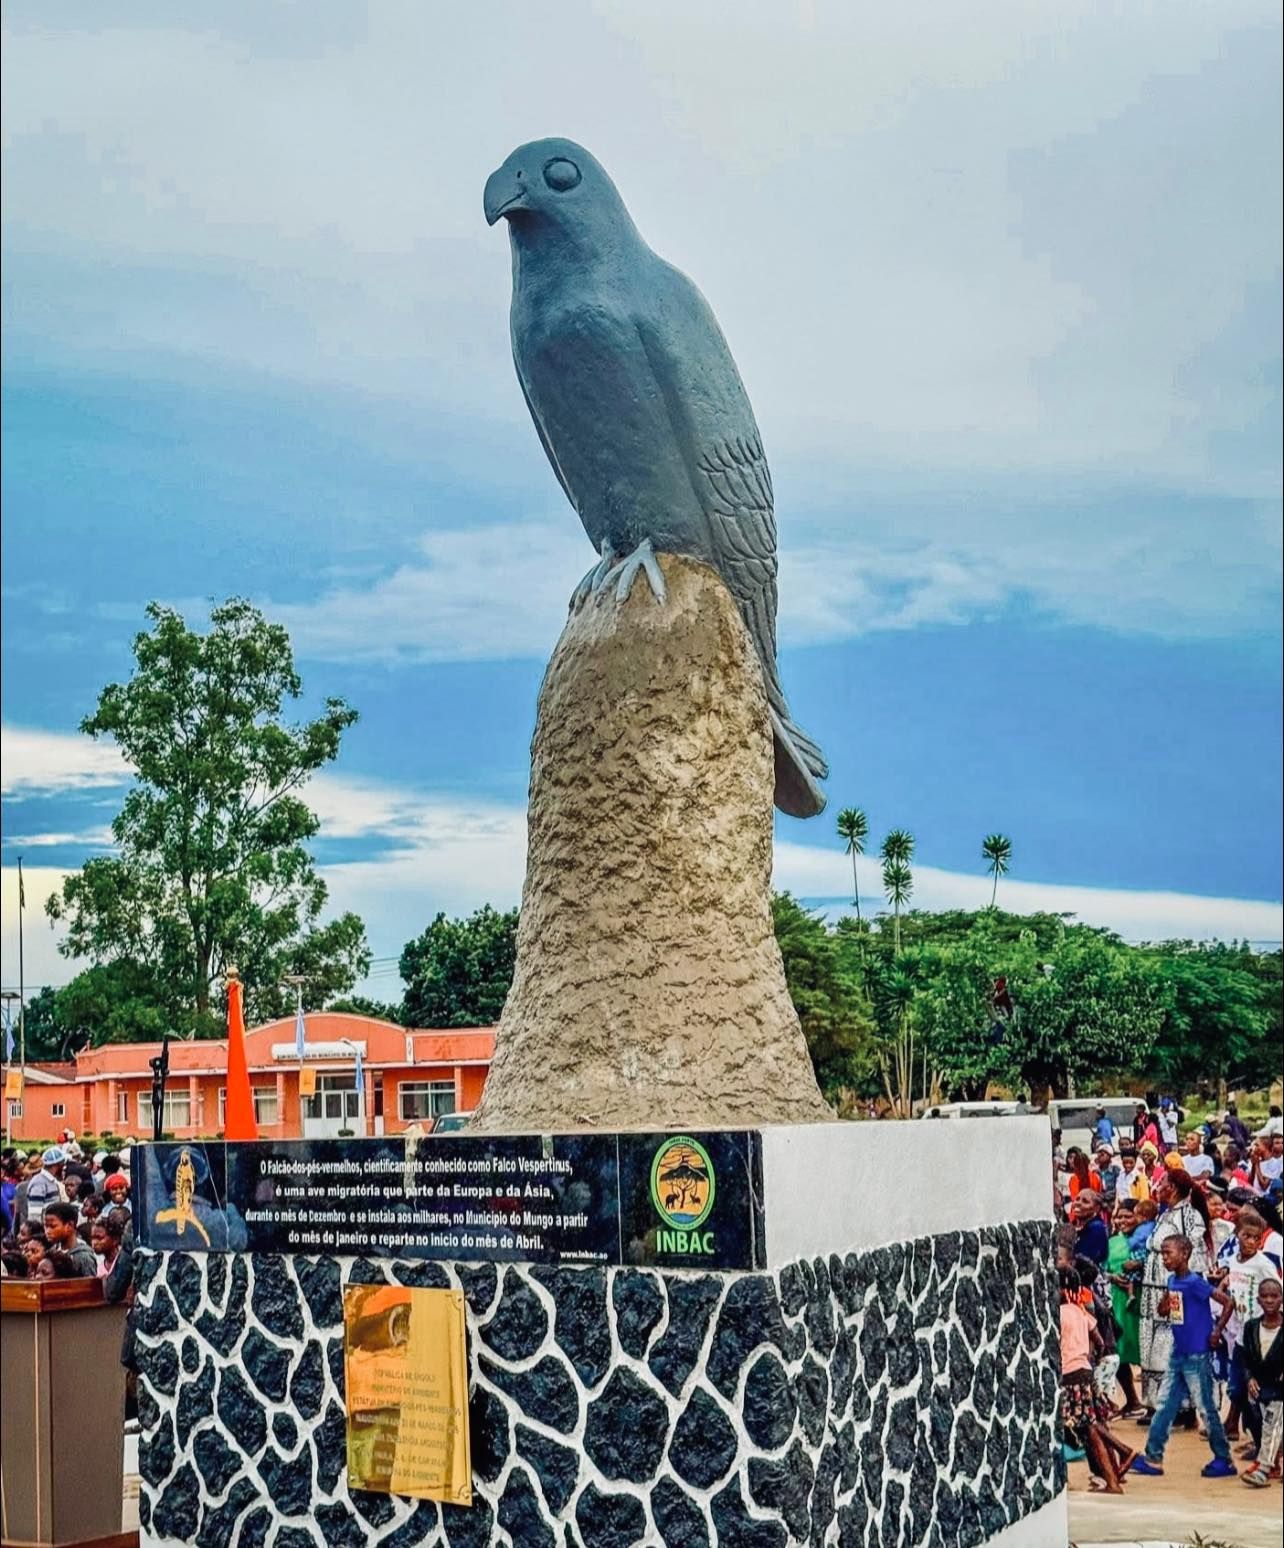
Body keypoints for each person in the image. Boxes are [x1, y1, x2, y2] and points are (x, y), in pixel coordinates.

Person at [1130, 1234, 1235, 1477]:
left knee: (1205, 1406)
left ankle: (1223, 1458)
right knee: (1165, 1405)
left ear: (1184, 1254)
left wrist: (1216, 1331)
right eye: (1163, 1254)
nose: (1165, 1258)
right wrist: (1166, 1302)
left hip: (1197, 1353)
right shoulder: (1172, 1281)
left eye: (1169, 1253)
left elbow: (1227, 1302)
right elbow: (1169, 1311)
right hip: (1180, 1351)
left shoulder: (1194, 1282)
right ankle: (1153, 1457)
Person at [1138, 1168, 1214, 1414]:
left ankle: (1180, 1406)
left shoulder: (1190, 1217)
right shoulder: (1165, 1214)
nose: (1158, 1186)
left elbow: (1193, 1256)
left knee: (1170, 1340)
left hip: (1172, 1287)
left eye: (1162, 1182)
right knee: (1151, 1341)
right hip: (1153, 1288)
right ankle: (1155, 1403)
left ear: (1172, 1188)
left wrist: (1175, 1289)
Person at [1214, 1212, 1283, 1446]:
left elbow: (1278, 1290)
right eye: (1246, 1236)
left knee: (1257, 1391)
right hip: (1240, 1335)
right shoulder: (1234, 1261)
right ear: (1237, 1236)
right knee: (1237, 1387)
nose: (1251, 1242)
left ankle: (1262, 1443)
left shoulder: (1263, 1264)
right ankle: (1247, 1432)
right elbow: (1233, 1295)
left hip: (1259, 1337)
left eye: (1256, 1238)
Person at [1060, 1266, 1126, 1491]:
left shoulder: (1059, 1314)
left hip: (1070, 1377)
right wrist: (1090, 1358)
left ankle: (1112, 1479)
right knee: (1093, 1425)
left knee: (1089, 1428)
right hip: (1085, 1372)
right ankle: (1118, 1463)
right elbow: (1098, 1340)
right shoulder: (1079, 1310)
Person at [1239, 1277, 1283, 1487]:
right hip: (1259, 1389)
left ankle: (1263, 1468)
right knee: (1261, 1423)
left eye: (1274, 1296)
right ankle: (1272, 1463)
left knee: (1273, 1424)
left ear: (1281, 1299)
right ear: (1258, 1300)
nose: (1269, 1301)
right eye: (1264, 1296)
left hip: (1280, 1390)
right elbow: (1245, 1358)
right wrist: (1249, 1378)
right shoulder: (1251, 1327)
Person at [1107, 1200, 1146, 1416]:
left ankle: (1153, 1404)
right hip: (1119, 1302)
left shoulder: (1147, 1240)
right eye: (1119, 1217)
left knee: (1147, 1355)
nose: (1122, 1221)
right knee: (1119, 1352)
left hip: (1141, 1301)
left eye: (1127, 1216)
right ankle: (1132, 1399)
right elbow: (1100, 1269)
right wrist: (1112, 1277)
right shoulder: (1112, 1242)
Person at [41, 1202, 98, 1277]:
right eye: (46, 1226)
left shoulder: (84, 1257)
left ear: (70, 1226)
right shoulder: (51, 1252)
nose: (47, 1231)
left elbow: (90, 1286)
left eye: (52, 1226)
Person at [13, 1147, 67, 1226]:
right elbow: (34, 1218)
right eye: (62, 1164)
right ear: (57, 1165)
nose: (64, 1168)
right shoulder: (39, 1183)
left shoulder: (51, 1181)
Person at [1073, 1190, 1109, 1265]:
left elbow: (1086, 1258)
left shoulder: (1096, 1228)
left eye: (1085, 1201)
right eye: (1077, 1199)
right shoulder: (1080, 1227)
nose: (1078, 1203)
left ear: (1097, 1208)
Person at [90, 1213, 127, 1280]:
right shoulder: (98, 1264)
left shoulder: (125, 1262)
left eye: (99, 1238)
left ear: (115, 1239)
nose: (94, 1242)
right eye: (92, 1238)